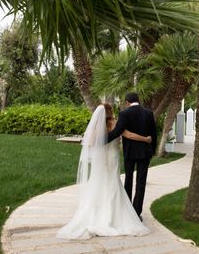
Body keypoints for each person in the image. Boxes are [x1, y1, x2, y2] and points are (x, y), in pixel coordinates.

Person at [57, 103, 150, 240]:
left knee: (98, 183)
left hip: (99, 159)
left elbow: (89, 142)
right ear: (110, 112)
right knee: (112, 182)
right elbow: (128, 135)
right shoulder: (115, 123)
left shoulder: (95, 127)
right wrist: (145, 139)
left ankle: (97, 213)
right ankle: (113, 215)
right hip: (112, 157)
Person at [107, 91, 157, 218]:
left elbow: (117, 131)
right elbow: (154, 134)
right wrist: (152, 150)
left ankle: (127, 211)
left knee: (128, 179)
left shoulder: (124, 113)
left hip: (129, 152)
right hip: (145, 152)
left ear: (127, 102)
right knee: (141, 182)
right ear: (138, 100)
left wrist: (102, 141)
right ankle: (137, 213)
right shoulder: (148, 113)